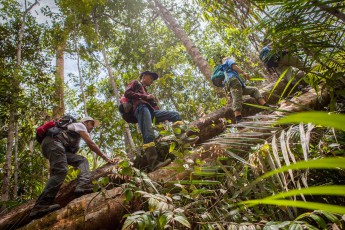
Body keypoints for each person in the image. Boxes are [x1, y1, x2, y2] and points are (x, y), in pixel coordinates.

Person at [30, 116, 114, 218]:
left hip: (55, 146)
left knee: (82, 160)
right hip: (53, 143)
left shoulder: (74, 132)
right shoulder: (80, 126)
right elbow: (91, 144)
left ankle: (82, 185)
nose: (93, 127)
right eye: (91, 124)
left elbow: (70, 153)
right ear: (85, 122)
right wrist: (106, 158)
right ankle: (40, 206)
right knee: (61, 171)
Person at [124, 71, 194, 171]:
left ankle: (183, 137)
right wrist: (146, 97)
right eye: (151, 78)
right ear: (144, 76)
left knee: (175, 115)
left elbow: (153, 108)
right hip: (141, 108)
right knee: (148, 134)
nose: (152, 81)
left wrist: (152, 101)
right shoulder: (136, 82)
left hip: (150, 111)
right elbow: (127, 93)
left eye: (153, 79)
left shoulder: (145, 90)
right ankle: (153, 163)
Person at [222, 57, 270, 123]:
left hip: (236, 84)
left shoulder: (225, 69)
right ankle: (238, 119)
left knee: (254, 90)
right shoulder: (228, 60)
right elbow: (233, 66)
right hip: (233, 81)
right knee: (237, 98)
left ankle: (266, 107)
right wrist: (243, 72)